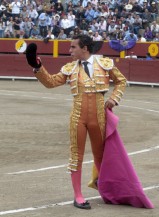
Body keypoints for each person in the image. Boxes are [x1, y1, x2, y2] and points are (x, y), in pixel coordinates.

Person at [25, 34, 127, 209]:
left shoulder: (105, 63)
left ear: (84, 48)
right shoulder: (70, 68)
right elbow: (50, 82)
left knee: (101, 155)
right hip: (78, 116)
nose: (69, 50)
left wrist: (114, 99)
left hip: (99, 116)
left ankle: (106, 190)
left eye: (73, 47)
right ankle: (78, 195)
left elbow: (121, 81)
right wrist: (37, 66)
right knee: (76, 156)